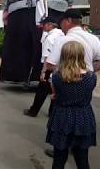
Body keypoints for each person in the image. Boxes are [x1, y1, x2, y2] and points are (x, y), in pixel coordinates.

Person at [44, 9, 100, 158]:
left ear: (68, 21)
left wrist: (56, 75)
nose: (60, 25)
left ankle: (61, 148)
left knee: (62, 124)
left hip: (64, 82)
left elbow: (50, 64)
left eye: (61, 22)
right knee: (82, 155)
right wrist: (89, 72)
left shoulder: (63, 40)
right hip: (85, 89)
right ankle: (77, 147)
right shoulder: (94, 39)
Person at [46, 41, 97, 169]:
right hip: (83, 117)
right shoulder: (91, 77)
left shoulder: (57, 77)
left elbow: (56, 95)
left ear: (63, 55)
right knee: (82, 158)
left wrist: (56, 96)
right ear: (81, 55)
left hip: (62, 117)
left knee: (59, 158)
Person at [0, 0, 42, 84]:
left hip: (37, 6)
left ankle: (37, 76)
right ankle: (18, 76)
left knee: (37, 42)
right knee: (18, 44)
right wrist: (6, 9)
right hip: (18, 8)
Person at [24, 16, 64, 117]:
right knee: (55, 90)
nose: (42, 26)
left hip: (49, 66)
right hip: (60, 66)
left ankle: (33, 111)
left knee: (42, 90)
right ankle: (52, 112)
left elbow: (47, 56)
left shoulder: (49, 38)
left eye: (44, 24)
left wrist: (43, 71)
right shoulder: (62, 35)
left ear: (50, 25)